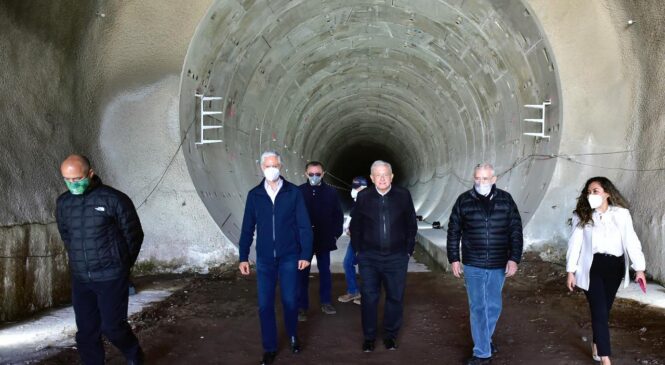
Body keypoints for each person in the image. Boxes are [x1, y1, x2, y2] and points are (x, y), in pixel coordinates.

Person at [55, 154, 145, 365]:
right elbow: (67, 235)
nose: (73, 184)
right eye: (68, 180)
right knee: (86, 331)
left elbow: (134, 235)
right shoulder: (63, 203)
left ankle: (134, 354)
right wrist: (78, 262)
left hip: (111, 276)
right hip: (81, 278)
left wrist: (121, 265)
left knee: (113, 326)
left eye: (77, 179)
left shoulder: (114, 199)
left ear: (90, 173)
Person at [238, 151, 313, 365]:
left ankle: (292, 336)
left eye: (275, 165)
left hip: (289, 256)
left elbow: (304, 225)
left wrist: (305, 254)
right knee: (265, 305)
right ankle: (269, 348)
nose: (272, 169)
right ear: (261, 167)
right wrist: (243, 256)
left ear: (281, 166)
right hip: (264, 260)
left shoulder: (293, 193)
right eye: (268, 165)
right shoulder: (255, 195)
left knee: (290, 301)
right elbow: (247, 228)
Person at [447, 163, 523, 365]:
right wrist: (454, 258)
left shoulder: (506, 200)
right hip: (473, 263)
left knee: (494, 306)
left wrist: (514, 258)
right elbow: (453, 231)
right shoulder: (463, 201)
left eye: (485, 179)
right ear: (474, 178)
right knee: (478, 306)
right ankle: (482, 352)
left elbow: (515, 231)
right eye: (478, 178)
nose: (481, 182)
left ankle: (485, 340)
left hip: (499, 263)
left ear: (494, 179)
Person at [566, 177, 646, 365]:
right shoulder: (581, 216)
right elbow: (574, 244)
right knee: (600, 310)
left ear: (607, 193)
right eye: (588, 192)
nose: (590, 195)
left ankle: (596, 343)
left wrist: (639, 268)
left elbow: (631, 241)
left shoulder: (621, 214)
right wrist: (571, 271)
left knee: (603, 310)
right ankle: (605, 358)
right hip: (591, 266)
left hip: (614, 267)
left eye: (595, 191)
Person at [350, 160, 417, 352]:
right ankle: (369, 337)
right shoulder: (363, 197)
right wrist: (358, 250)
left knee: (395, 297)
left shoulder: (403, 195)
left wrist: (407, 250)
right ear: (371, 178)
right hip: (369, 257)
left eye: (385, 174)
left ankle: (390, 336)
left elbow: (411, 224)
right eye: (377, 175)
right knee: (369, 297)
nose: (382, 178)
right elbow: (356, 226)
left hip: (396, 257)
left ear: (392, 176)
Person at [297, 161, 344, 319]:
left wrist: (335, 234)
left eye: (318, 174)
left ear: (323, 174)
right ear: (306, 174)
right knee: (302, 273)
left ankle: (326, 302)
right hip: (304, 241)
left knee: (325, 271)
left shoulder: (331, 192)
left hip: (324, 239)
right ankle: (302, 306)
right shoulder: (298, 192)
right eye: (311, 174)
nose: (314, 177)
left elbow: (338, 215)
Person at [338, 176, 368, 305]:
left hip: (364, 240)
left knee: (364, 266)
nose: (355, 190)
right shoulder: (356, 202)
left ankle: (366, 295)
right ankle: (354, 291)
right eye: (354, 187)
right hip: (354, 239)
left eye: (358, 187)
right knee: (347, 263)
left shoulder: (368, 202)